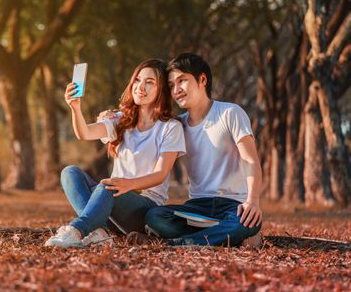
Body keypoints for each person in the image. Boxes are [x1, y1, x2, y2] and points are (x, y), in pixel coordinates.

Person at [45, 59, 186, 248]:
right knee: (70, 172)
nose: (140, 87)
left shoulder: (170, 127)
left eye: (149, 82)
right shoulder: (121, 120)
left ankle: (76, 230)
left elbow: (160, 175)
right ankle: (99, 232)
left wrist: (127, 185)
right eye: (137, 80)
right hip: (111, 201)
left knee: (108, 187)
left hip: (144, 208)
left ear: (162, 90)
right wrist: (75, 108)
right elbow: (84, 133)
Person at [143, 53, 263, 247]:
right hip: (197, 207)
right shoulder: (176, 125)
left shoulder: (230, 113)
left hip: (233, 205)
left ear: (202, 80)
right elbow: (142, 128)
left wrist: (253, 201)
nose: (176, 90)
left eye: (182, 81)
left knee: (245, 223)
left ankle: (177, 244)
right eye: (172, 85)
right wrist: (116, 117)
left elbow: (251, 160)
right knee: (155, 216)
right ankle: (222, 237)